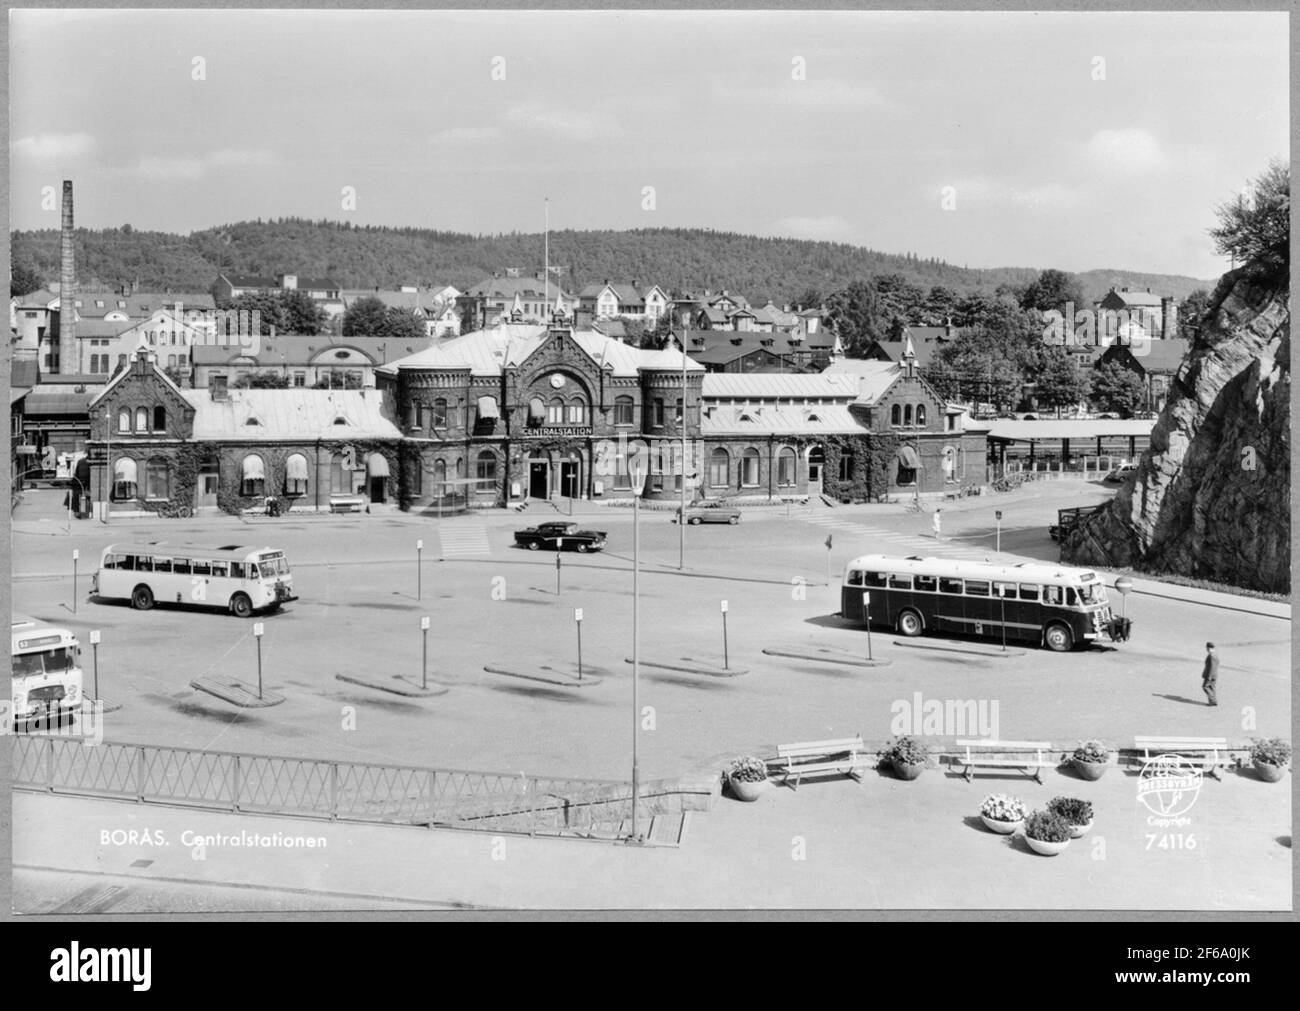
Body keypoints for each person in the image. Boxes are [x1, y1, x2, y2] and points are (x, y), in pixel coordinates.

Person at [1201, 642, 1219, 707]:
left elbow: (1212, 667)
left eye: (1206, 648)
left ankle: (1212, 700)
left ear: (1208, 648)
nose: (1206, 649)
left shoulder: (1211, 655)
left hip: (1210, 675)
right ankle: (1214, 701)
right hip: (1214, 674)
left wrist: (1209, 676)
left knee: (1205, 686)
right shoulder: (1215, 654)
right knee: (1212, 687)